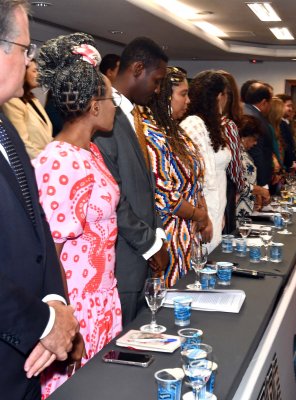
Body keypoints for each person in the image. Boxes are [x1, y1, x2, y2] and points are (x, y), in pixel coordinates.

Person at [33, 32, 123, 397]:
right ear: (93, 105)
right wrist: (67, 330)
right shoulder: (58, 162)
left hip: (103, 299)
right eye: (111, 97)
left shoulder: (93, 154)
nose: (116, 105)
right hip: (77, 309)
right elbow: (49, 255)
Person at [0, 1, 78, 399]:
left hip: (25, 358)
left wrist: (54, 301)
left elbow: (37, 227)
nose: (30, 60)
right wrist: (44, 323)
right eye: (25, 49)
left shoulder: (6, 127)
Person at [93, 37, 169, 326]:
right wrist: (150, 243)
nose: (158, 89)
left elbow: (146, 189)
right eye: (157, 80)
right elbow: (114, 197)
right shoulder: (103, 115)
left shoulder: (133, 115)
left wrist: (158, 235)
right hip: (123, 262)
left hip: (141, 259)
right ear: (138, 68)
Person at [146, 67, 210, 287]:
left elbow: (196, 178)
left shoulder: (178, 131)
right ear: (165, 96)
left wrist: (203, 212)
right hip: (168, 236)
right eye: (183, 94)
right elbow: (164, 196)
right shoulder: (150, 134)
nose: (188, 100)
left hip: (189, 233)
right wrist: (198, 215)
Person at [181, 70, 232, 252]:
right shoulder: (193, 124)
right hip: (204, 212)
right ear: (220, 96)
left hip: (216, 207)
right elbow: (195, 178)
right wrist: (204, 218)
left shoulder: (211, 124)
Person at [2, 58, 53, 158]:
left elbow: (46, 137)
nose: (38, 74)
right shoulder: (12, 101)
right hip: (33, 162)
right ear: (22, 73)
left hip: (44, 159)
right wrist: (46, 160)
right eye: (34, 71)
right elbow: (23, 144)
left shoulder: (33, 100)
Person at [216, 70, 245, 234]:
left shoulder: (196, 120)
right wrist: (240, 187)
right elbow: (235, 165)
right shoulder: (228, 125)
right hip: (225, 187)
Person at [242, 81, 273, 202]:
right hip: (252, 177)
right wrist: (262, 184)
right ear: (264, 102)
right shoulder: (256, 118)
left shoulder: (244, 111)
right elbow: (257, 152)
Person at [236, 115, 269, 217]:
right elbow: (237, 184)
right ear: (244, 136)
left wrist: (256, 195)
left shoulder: (244, 152)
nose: (255, 143)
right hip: (238, 210)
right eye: (254, 139)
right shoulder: (236, 154)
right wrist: (260, 190)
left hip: (247, 209)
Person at [276, 94, 296, 173]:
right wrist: (291, 163)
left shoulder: (285, 122)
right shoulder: (279, 123)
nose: (291, 109)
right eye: (288, 106)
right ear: (279, 106)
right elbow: (285, 146)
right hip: (284, 166)